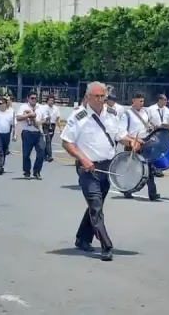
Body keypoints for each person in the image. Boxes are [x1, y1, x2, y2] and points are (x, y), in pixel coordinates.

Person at [61, 81, 141, 262]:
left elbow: (119, 135)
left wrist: (130, 142)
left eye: (102, 96)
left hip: (108, 167)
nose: (99, 100)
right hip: (87, 167)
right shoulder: (78, 116)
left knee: (95, 205)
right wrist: (83, 159)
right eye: (96, 96)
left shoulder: (112, 114)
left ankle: (82, 238)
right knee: (96, 206)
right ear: (88, 97)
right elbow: (67, 142)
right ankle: (106, 245)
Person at [122, 91, 159, 200]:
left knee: (149, 168)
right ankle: (127, 190)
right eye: (140, 101)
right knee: (132, 169)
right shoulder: (127, 114)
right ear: (133, 101)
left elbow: (149, 125)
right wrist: (135, 139)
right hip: (132, 143)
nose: (142, 103)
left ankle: (152, 193)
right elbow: (123, 132)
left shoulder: (146, 112)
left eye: (143, 101)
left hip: (145, 142)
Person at [16, 91, 46, 179]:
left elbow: (45, 119)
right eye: (32, 98)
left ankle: (37, 171)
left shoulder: (41, 107)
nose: (34, 100)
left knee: (41, 151)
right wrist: (29, 115)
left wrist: (39, 122)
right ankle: (26, 171)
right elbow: (18, 117)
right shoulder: (23, 107)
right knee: (26, 154)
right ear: (28, 98)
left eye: (35, 98)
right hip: (27, 132)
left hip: (38, 132)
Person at [42, 96, 62, 162]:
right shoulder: (44, 108)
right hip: (46, 125)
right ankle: (50, 156)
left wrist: (60, 128)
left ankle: (44, 155)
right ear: (47, 101)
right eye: (50, 100)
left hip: (52, 125)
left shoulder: (56, 108)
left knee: (49, 140)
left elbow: (58, 118)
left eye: (52, 100)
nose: (51, 101)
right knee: (47, 139)